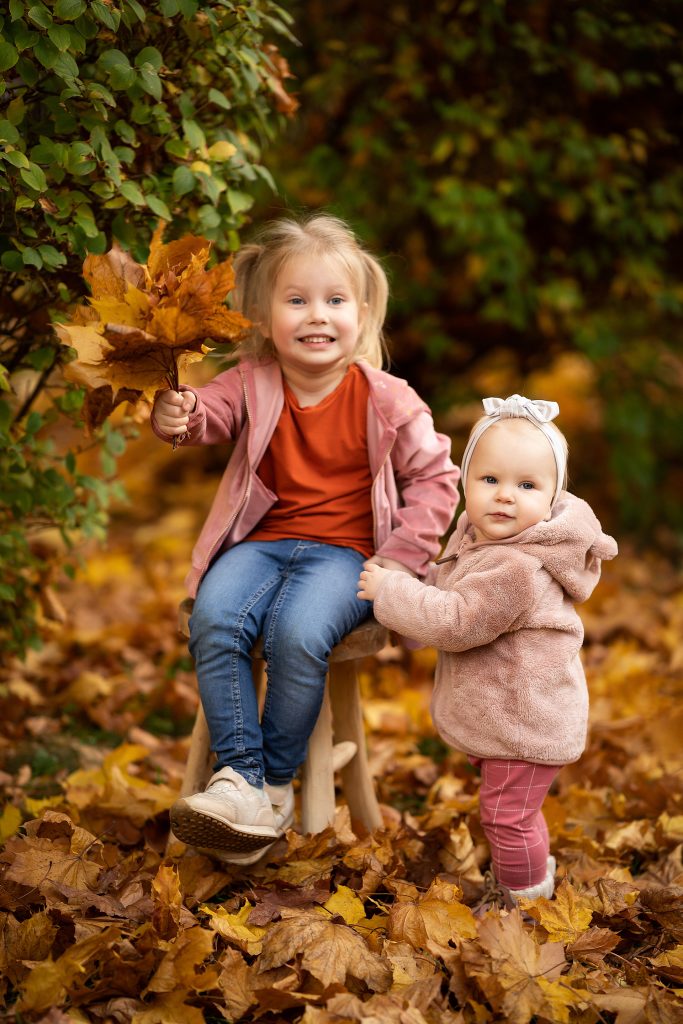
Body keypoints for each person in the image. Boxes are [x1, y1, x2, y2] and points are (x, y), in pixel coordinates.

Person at [152, 213, 460, 863]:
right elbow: (205, 418)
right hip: (258, 546)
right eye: (296, 301)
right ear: (264, 317)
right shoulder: (251, 382)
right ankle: (238, 778)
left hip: (346, 557)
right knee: (214, 616)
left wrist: (399, 563)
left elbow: (436, 479)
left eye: (334, 300)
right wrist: (176, 416)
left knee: (296, 631)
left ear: (362, 311)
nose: (316, 316)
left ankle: (270, 786)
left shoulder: (388, 399)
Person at [358, 394, 618, 903]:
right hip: (512, 715)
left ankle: (522, 900)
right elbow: (456, 585)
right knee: (514, 811)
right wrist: (414, 580)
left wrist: (393, 593)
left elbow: (458, 619)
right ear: (465, 481)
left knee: (507, 817)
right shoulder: (485, 540)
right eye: (490, 480)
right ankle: (527, 875)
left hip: (527, 723)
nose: (504, 496)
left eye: (526, 485)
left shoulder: (519, 567)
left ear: (552, 498)